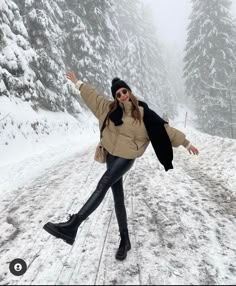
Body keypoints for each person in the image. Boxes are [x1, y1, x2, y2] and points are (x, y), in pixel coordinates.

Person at [43, 72, 199, 261]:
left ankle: (73, 224)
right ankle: (125, 240)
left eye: (124, 91)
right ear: (115, 97)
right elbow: (93, 97)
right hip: (110, 154)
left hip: (126, 157)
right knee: (118, 197)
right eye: (118, 94)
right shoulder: (109, 109)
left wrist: (186, 143)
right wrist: (78, 83)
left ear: (129, 91)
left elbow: (165, 130)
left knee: (103, 184)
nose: (122, 95)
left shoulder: (143, 113)